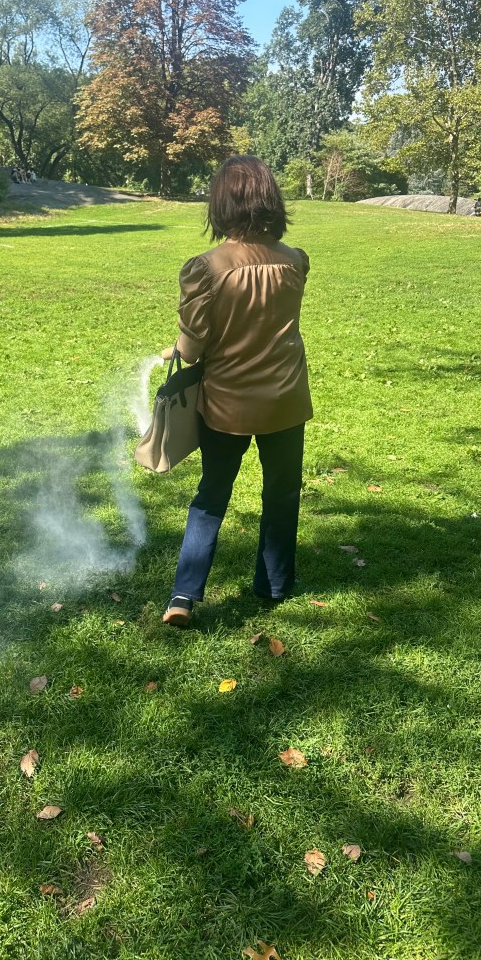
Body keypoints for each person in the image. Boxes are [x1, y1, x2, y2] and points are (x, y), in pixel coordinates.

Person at [161, 156, 312, 627]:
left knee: (211, 496)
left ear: (221, 203)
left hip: (226, 402)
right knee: (282, 493)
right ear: (271, 199)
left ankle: (184, 595)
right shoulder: (296, 260)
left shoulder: (205, 268)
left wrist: (176, 349)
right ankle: (274, 584)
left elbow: (192, 348)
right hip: (286, 398)